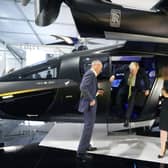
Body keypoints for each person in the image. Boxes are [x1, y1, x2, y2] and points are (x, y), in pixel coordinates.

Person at [77, 60, 104, 161]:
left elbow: (88, 87)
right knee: (88, 127)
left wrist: (97, 91)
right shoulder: (90, 74)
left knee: (89, 126)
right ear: (96, 66)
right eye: (100, 67)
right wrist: (91, 99)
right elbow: (83, 87)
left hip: (90, 104)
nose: (101, 70)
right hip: (89, 105)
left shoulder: (92, 74)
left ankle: (87, 145)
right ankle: (81, 152)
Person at [109, 62, 150, 127]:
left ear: (137, 68)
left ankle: (127, 119)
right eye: (130, 69)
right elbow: (117, 70)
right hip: (125, 85)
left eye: (133, 70)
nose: (131, 71)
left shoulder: (141, 71)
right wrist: (113, 75)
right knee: (118, 99)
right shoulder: (126, 67)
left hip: (135, 87)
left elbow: (146, 79)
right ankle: (121, 114)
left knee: (131, 102)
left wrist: (147, 89)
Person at [158, 66, 168, 158]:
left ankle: (163, 149)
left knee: (164, 129)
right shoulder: (165, 81)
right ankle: (162, 149)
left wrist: (165, 94)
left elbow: (166, 94)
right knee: (163, 130)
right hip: (165, 106)